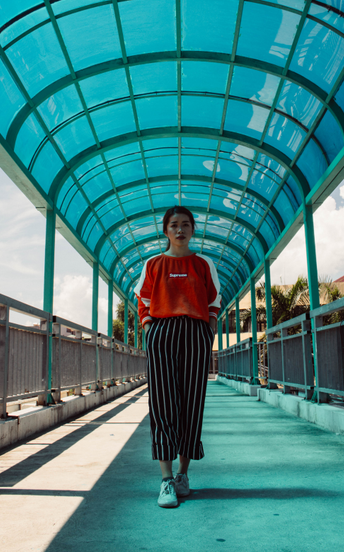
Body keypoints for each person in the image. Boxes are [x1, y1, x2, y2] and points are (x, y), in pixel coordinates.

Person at [134, 206, 221, 508]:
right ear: (166, 230)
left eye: (185, 225)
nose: (180, 230)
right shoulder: (154, 264)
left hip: (196, 333)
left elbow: (213, 301)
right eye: (174, 225)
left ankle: (183, 474)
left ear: (193, 229)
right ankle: (166, 479)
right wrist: (149, 328)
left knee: (192, 402)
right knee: (162, 402)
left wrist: (208, 331)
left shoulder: (203, 264)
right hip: (162, 332)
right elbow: (143, 300)